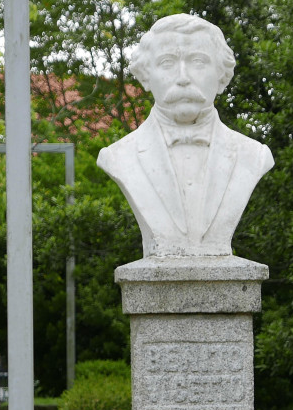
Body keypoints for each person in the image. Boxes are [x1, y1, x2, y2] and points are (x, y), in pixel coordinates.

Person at [97, 13, 274, 258]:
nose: (183, 78)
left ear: (222, 76)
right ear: (146, 75)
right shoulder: (117, 157)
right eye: (167, 63)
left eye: (198, 62)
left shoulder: (254, 156)